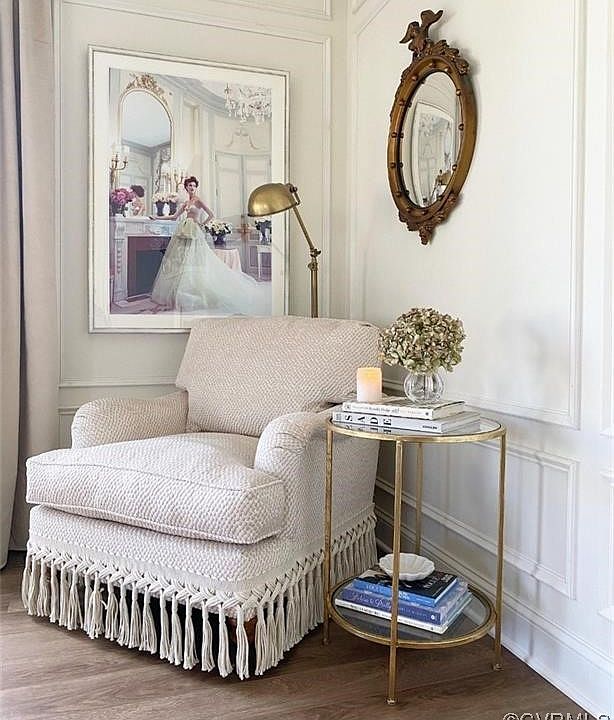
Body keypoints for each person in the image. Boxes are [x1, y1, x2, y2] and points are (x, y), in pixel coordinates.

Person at [149, 176, 270, 315]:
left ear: (196, 187)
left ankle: (197, 291)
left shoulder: (198, 200)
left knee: (195, 260)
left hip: (194, 231)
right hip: (183, 230)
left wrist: (202, 224)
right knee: (182, 260)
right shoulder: (185, 203)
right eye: (189, 185)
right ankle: (180, 292)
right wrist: (156, 217)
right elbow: (174, 217)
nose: (192, 188)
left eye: (194, 185)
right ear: (186, 187)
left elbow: (211, 214)